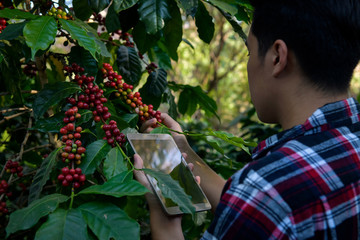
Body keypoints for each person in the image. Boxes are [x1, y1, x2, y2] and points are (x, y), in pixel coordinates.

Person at [134, 0, 360, 239]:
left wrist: (163, 215)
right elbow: (250, 210)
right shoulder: (346, 142)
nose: (249, 64)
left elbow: (261, 205)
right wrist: (184, 152)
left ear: (277, 57)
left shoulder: (268, 190)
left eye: (250, 52)